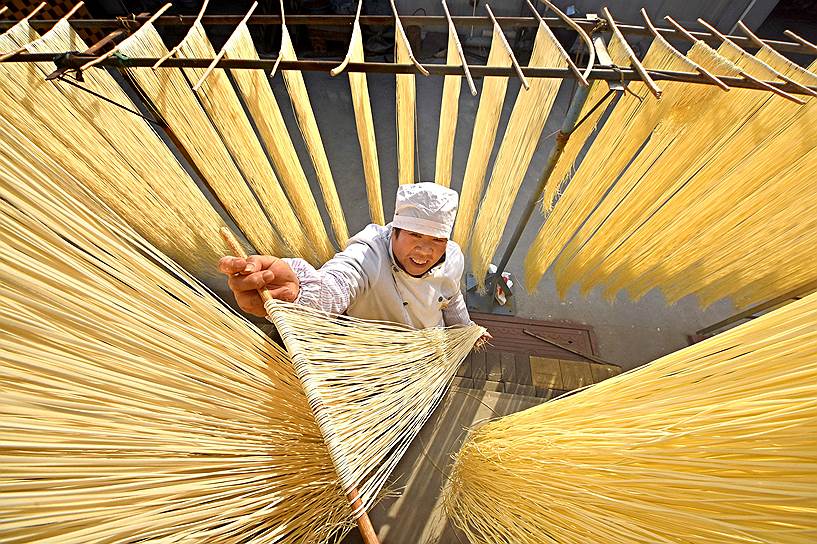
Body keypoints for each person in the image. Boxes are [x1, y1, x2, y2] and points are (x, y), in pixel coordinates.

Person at [219, 182, 491, 341]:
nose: (424, 250)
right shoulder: (369, 253)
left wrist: (467, 331)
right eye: (414, 235)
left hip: (426, 350)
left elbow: (452, 299)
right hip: (370, 352)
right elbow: (336, 286)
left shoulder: (453, 256)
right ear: (393, 230)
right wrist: (297, 293)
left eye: (435, 240)